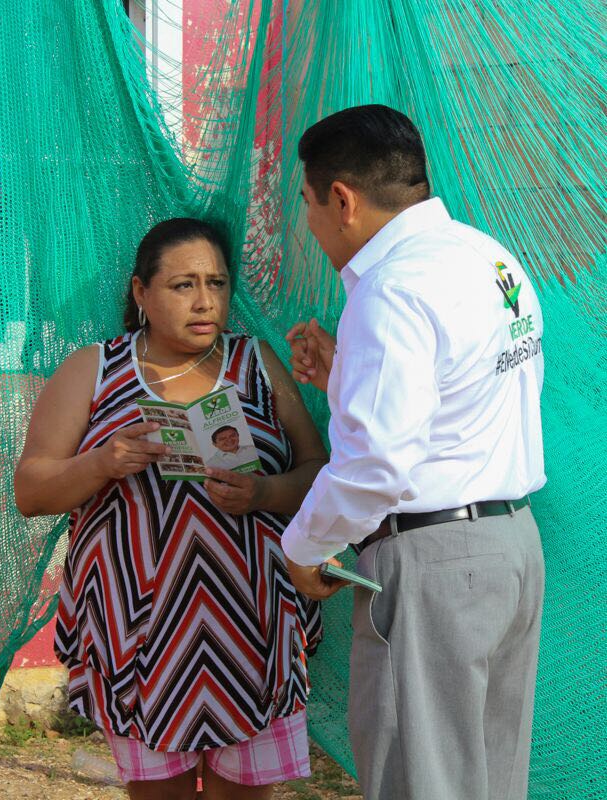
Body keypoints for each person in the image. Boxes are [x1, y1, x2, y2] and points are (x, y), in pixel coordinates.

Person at [14, 217, 342, 800]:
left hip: (252, 628)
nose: (204, 301)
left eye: (216, 284)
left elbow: (319, 471)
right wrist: (102, 462)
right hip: (141, 634)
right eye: (183, 285)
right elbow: (31, 491)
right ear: (141, 292)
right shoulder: (96, 369)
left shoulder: (257, 363)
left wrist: (263, 493)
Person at [282, 105, 546, 800]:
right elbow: (454, 403)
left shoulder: (391, 291)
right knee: (485, 782)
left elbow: (377, 466)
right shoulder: (485, 255)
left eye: (306, 204)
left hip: (435, 565)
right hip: (509, 544)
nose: (308, 225)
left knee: (422, 783)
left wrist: (305, 545)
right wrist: (346, 373)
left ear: (340, 198)